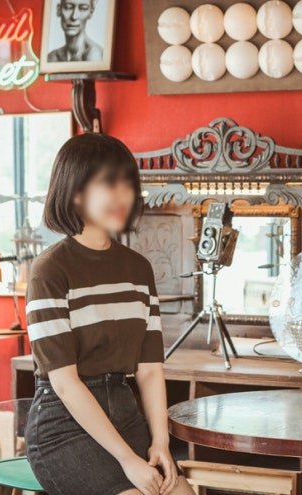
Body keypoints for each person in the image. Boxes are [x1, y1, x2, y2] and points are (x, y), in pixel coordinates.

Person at [24, 133, 194, 495]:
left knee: (182, 493)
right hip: (63, 426)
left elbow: (150, 370)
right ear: (75, 192)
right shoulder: (49, 270)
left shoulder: (138, 268)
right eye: (108, 184)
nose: (122, 196)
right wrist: (128, 460)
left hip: (124, 414)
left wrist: (160, 443)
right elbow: (66, 384)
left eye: (127, 184)